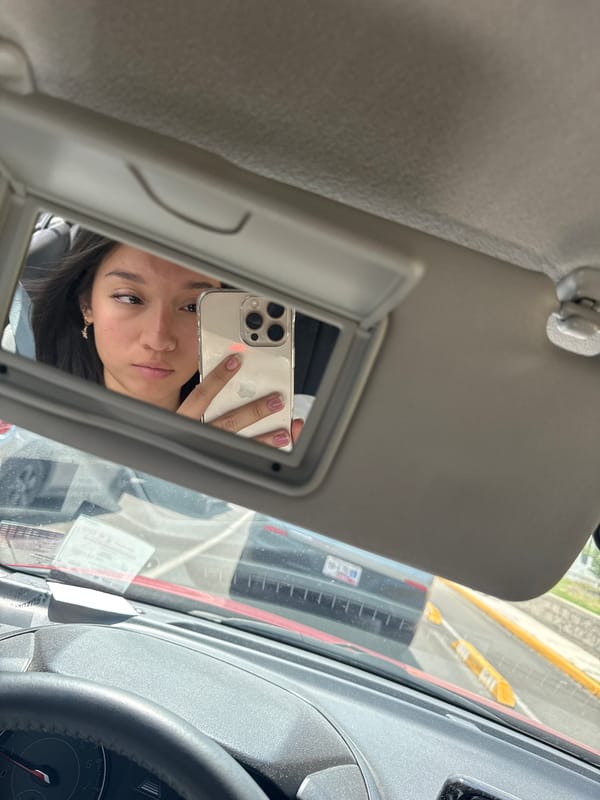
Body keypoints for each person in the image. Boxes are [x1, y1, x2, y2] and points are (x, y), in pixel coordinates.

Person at [30, 228, 301, 448]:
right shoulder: (28, 425)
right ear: (87, 304)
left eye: (193, 307)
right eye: (129, 298)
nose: (158, 339)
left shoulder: (268, 430)